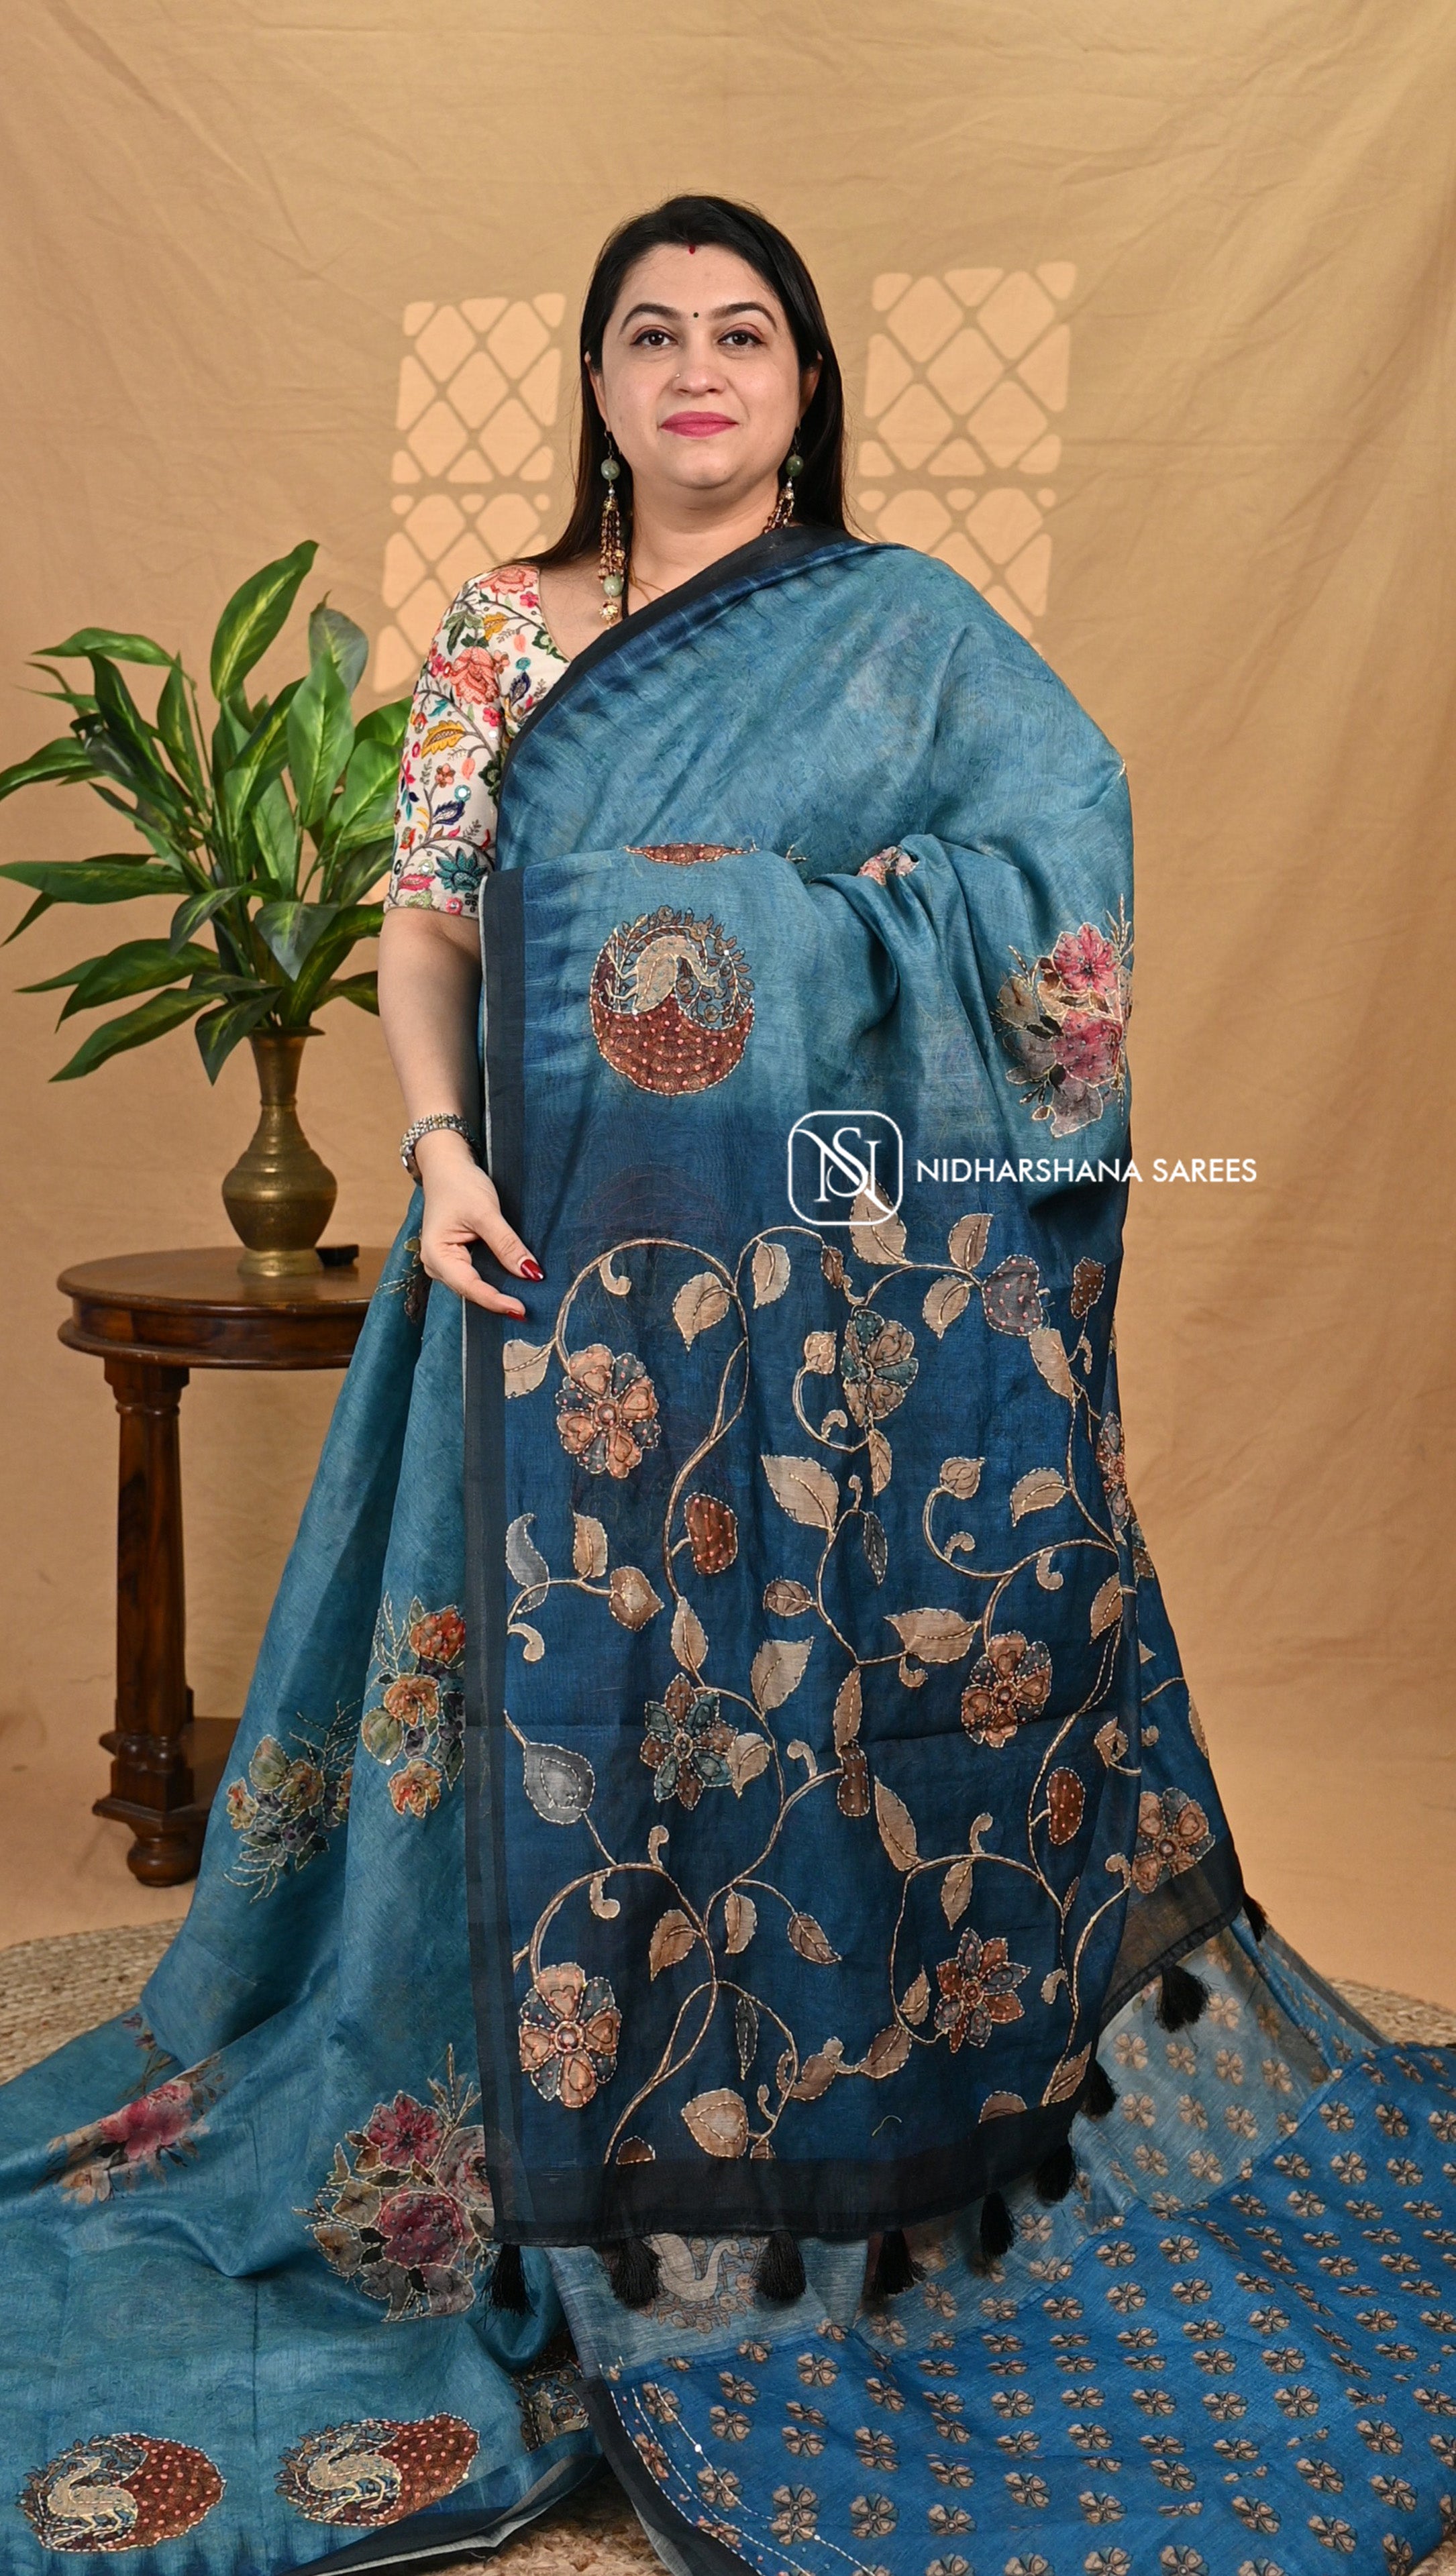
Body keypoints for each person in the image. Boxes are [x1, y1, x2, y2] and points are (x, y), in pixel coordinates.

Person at [0, 195, 1449, 2576]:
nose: (695, 367)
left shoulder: (907, 631)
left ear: (801, 386)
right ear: (595, 383)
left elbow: (1053, 891)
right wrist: (438, 1154)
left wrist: (763, 933)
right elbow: (430, 923)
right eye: (649, 333)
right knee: (527, 1728)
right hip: (532, 1274)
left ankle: (836, 2104)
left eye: (742, 333)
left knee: (802, 1722)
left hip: (834, 1323)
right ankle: (497, 2122)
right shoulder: (502, 633)